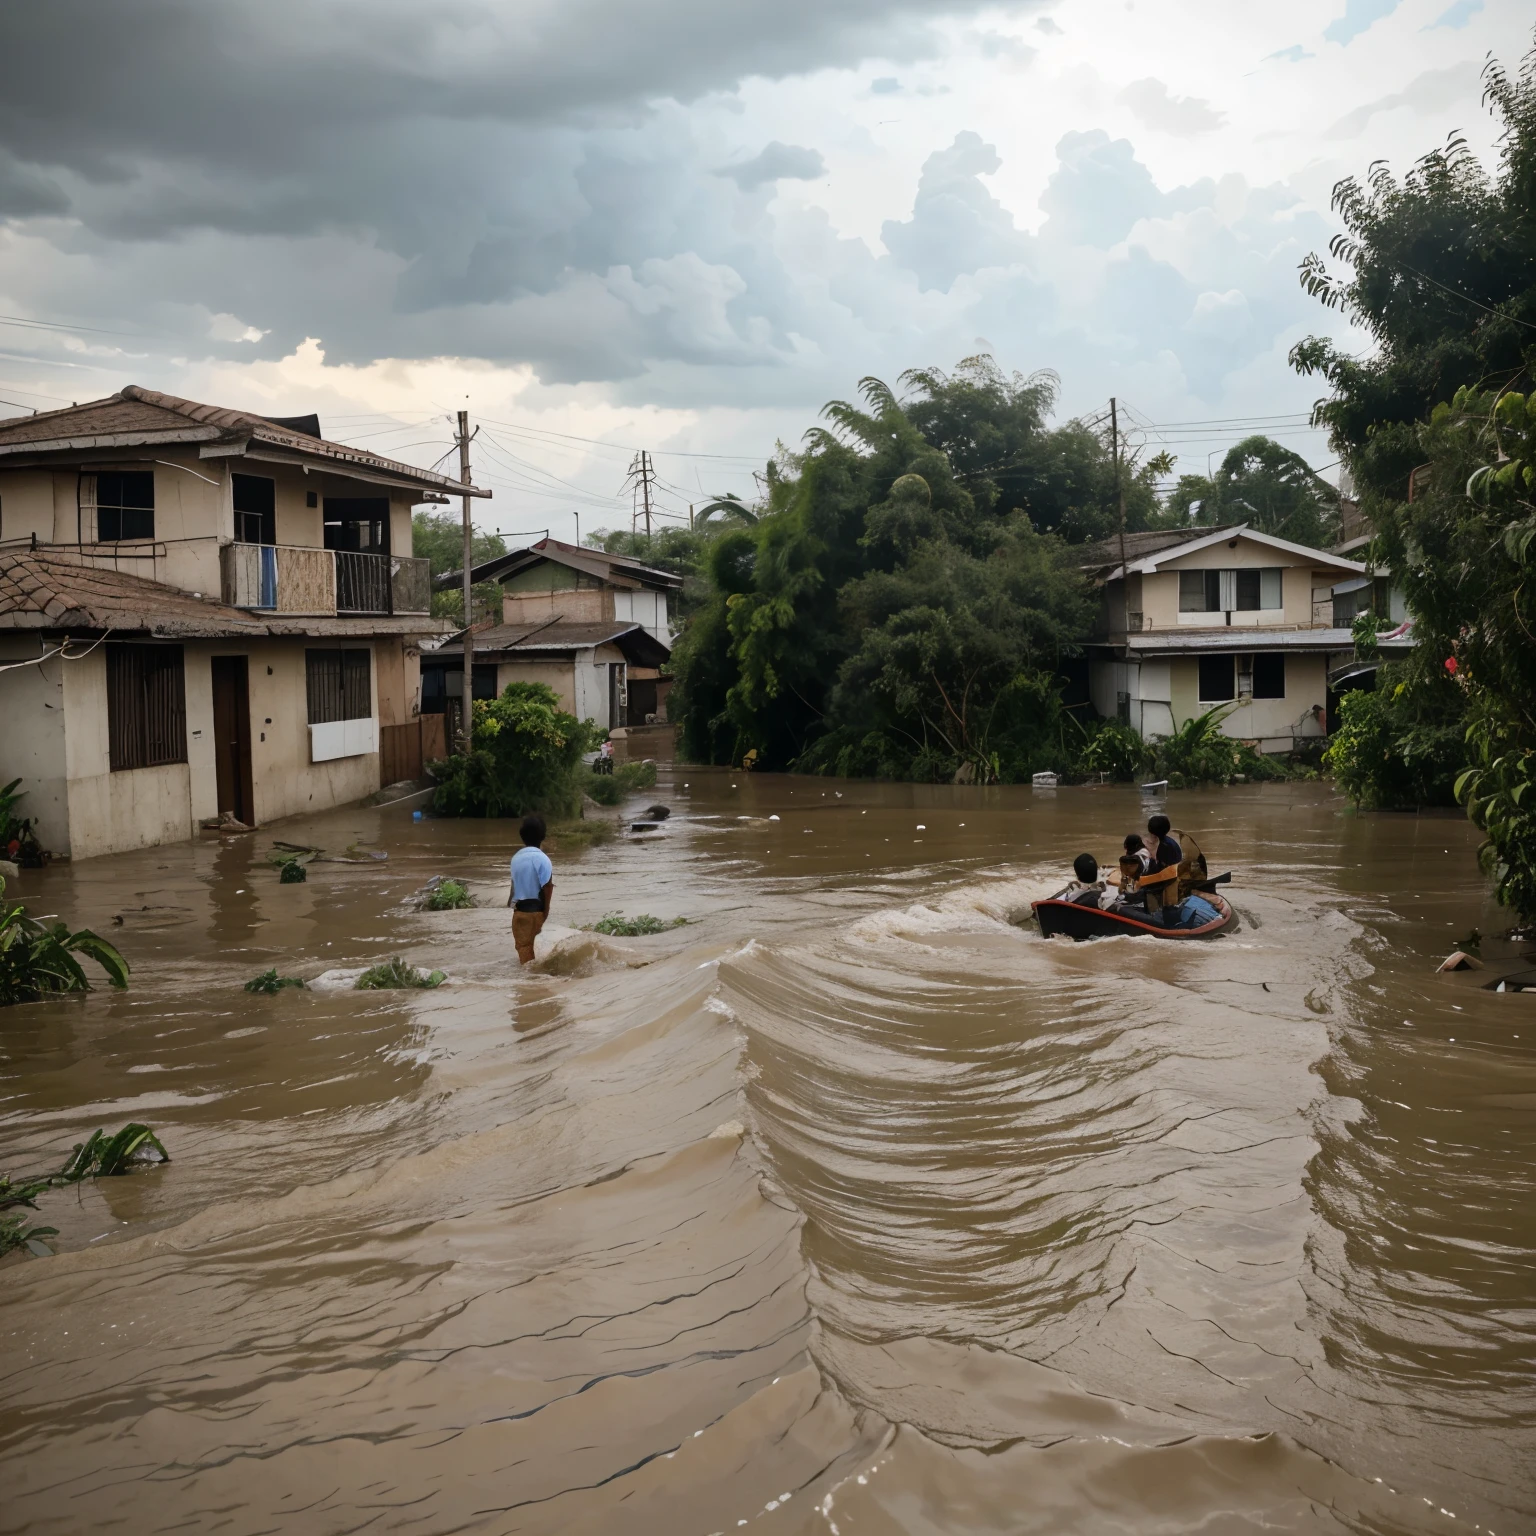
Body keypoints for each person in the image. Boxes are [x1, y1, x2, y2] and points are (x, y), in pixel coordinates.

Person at [509, 813, 554, 965]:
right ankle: (535, 984)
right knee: (534, 954)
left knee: (524, 952)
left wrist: (510, 904)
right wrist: (546, 910)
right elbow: (547, 886)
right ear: (543, 836)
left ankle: (528, 985)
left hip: (519, 912)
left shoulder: (515, 858)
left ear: (522, 836)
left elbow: (514, 885)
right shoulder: (543, 859)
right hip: (536, 911)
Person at [1141, 813, 1184, 922]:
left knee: (1154, 913)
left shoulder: (1163, 846)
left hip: (1163, 883)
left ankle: (1154, 921)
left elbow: (1161, 870)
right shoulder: (1170, 842)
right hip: (1172, 881)